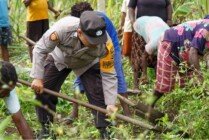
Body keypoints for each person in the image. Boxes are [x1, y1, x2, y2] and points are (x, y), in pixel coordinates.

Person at [30, 11, 118, 139]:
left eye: (98, 40)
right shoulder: (62, 30)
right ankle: (46, 129)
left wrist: (111, 102)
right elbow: (40, 49)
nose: (96, 43)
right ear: (80, 32)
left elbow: (109, 73)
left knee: (98, 95)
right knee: (43, 90)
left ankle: (105, 132)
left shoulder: (106, 45)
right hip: (60, 58)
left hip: (87, 63)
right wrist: (38, 78)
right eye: (92, 40)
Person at [68, 2, 131, 121]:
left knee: (116, 75)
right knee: (80, 77)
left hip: (110, 46)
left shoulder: (100, 20)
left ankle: (127, 114)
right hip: (88, 46)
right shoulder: (75, 25)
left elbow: (104, 47)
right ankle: (74, 114)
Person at [151, 18, 209, 107]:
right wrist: (199, 75)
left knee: (188, 85)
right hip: (169, 42)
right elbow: (193, 51)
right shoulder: (205, 29)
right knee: (165, 84)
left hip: (185, 48)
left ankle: (181, 110)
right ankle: (148, 106)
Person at [128, 0, 173, 89]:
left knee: (160, 57)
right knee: (138, 56)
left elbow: (169, 5)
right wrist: (133, 22)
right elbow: (130, 8)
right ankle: (136, 86)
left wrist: (169, 19)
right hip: (141, 29)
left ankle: (159, 85)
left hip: (160, 29)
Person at [0, 61, 33, 139]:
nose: (8, 95)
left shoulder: (8, 86)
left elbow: (19, 120)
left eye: (10, 90)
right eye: (5, 91)